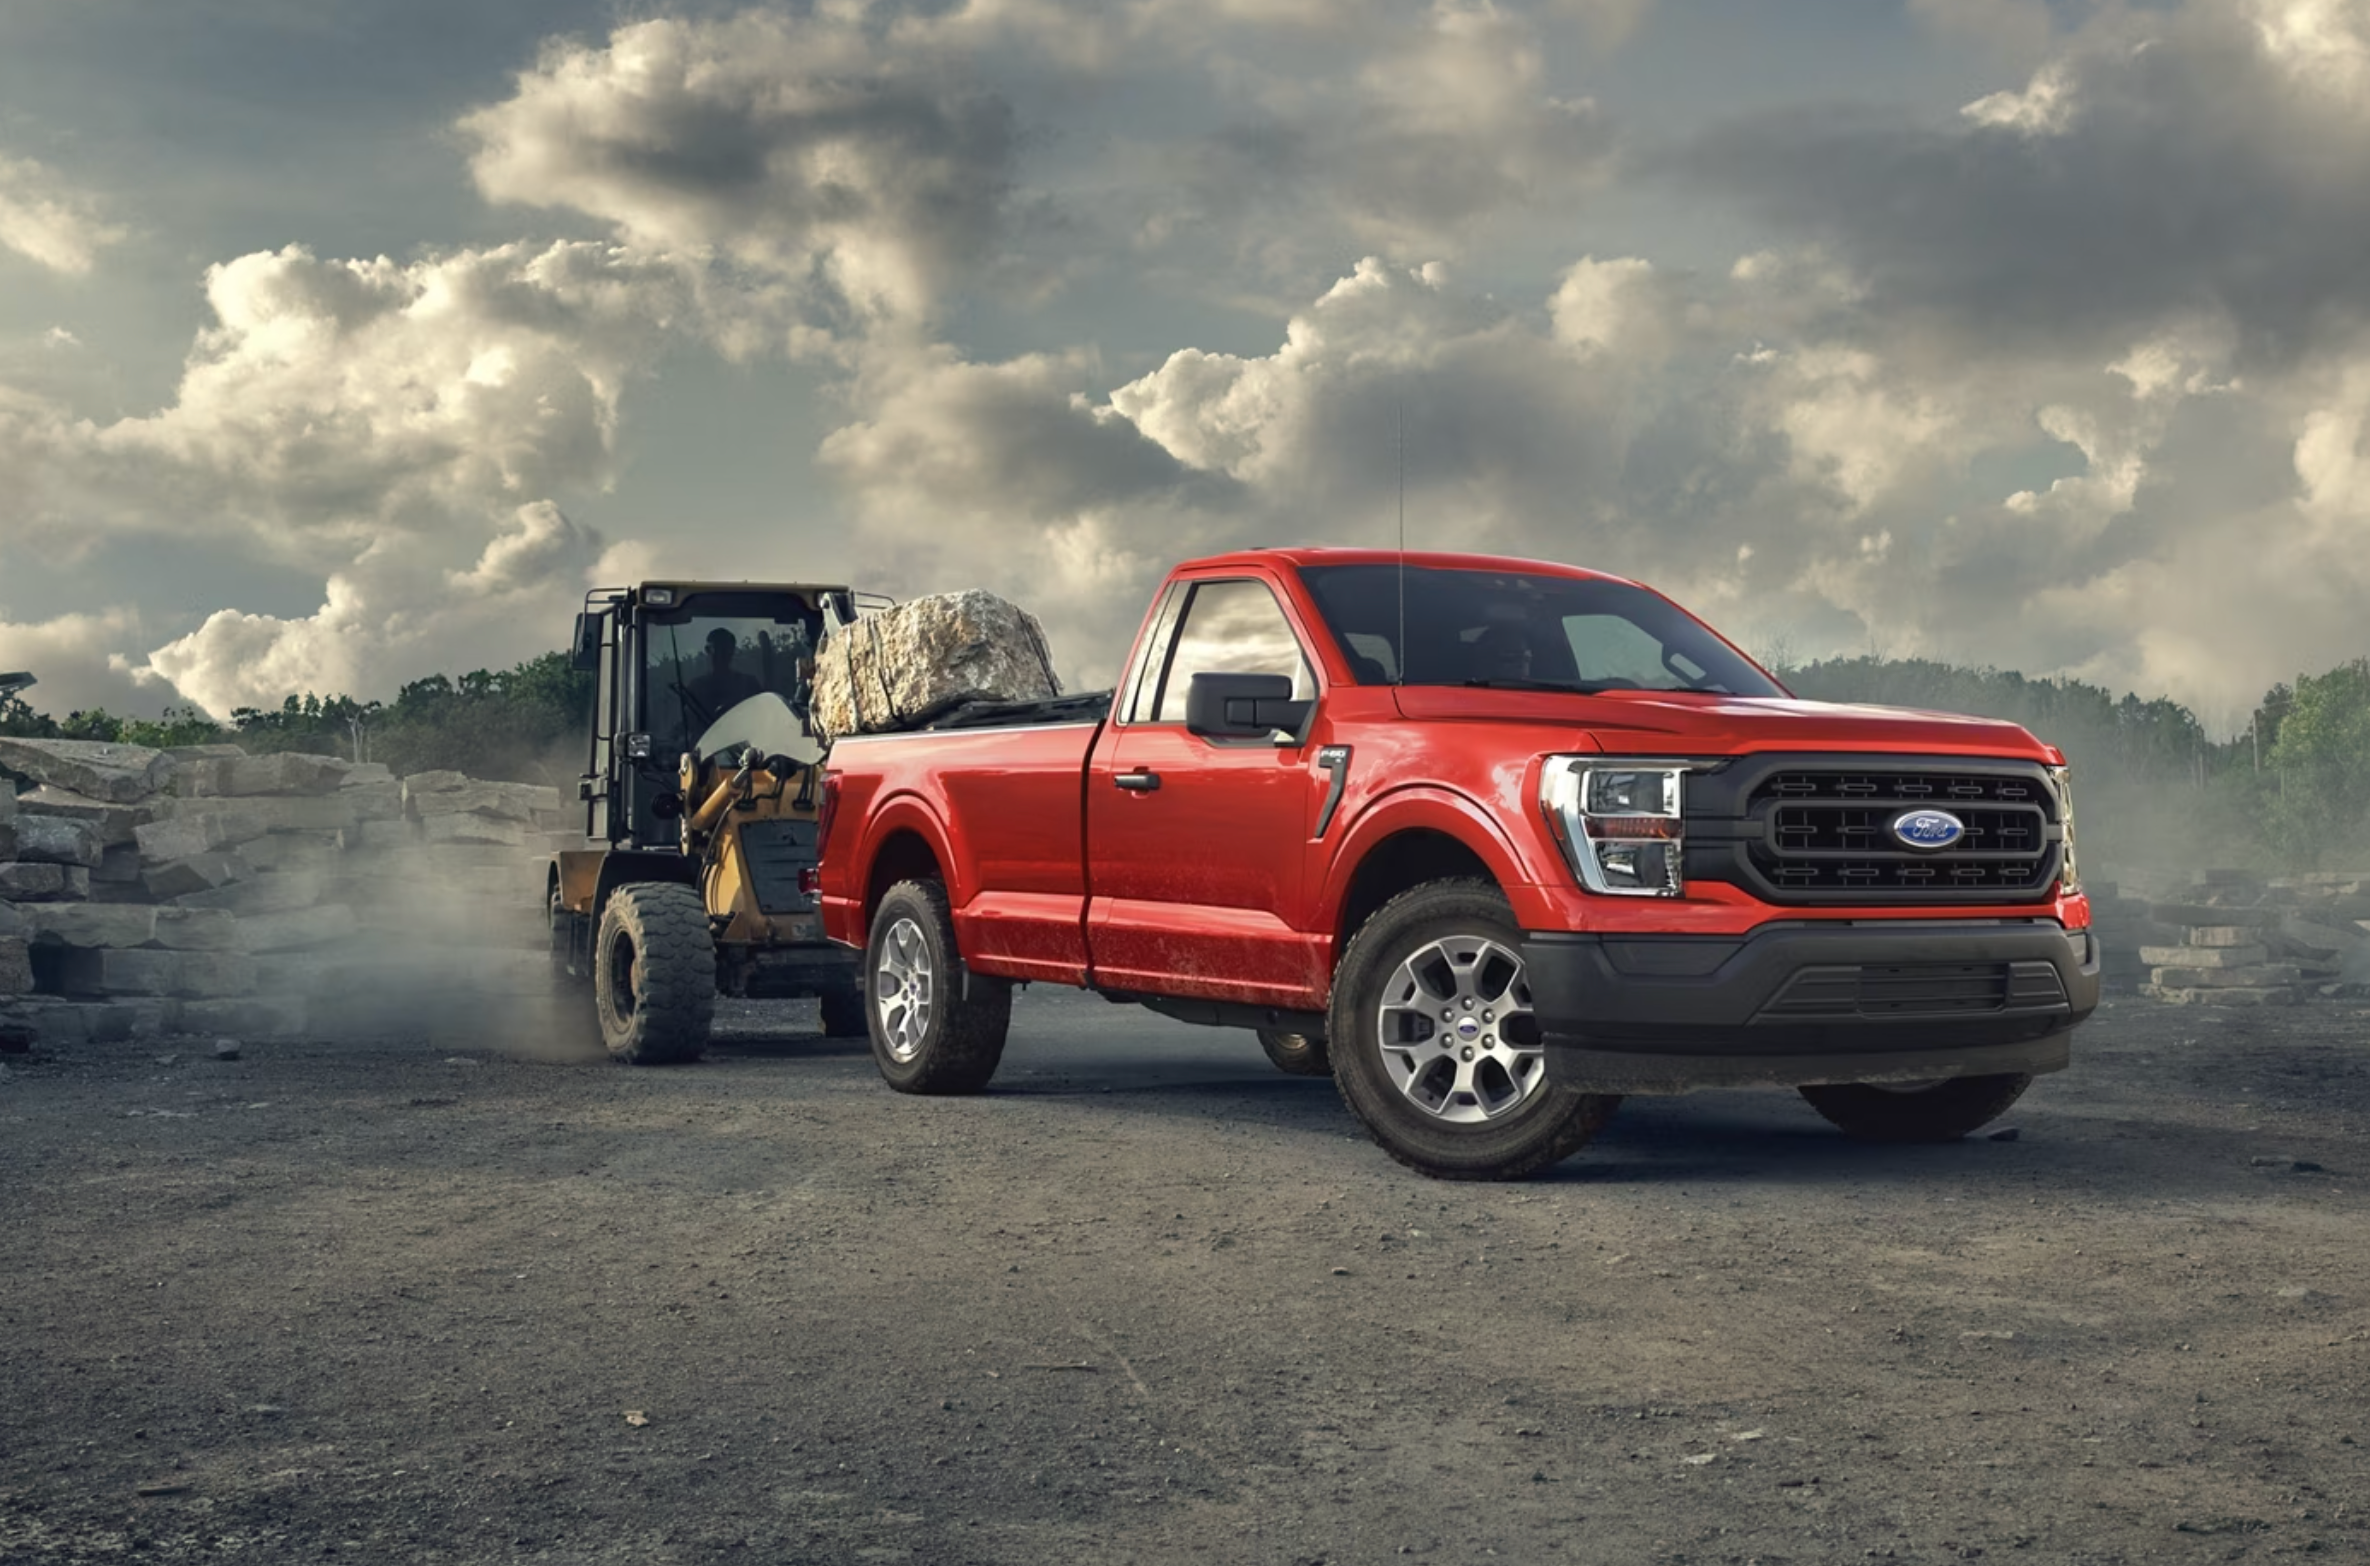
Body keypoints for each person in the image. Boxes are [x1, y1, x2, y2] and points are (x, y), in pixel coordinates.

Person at [688, 627, 762, 716]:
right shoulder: (696, 688)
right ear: (707, 651)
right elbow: (687, 722)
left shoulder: (749, 685)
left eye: (723, 649)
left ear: (732, 652)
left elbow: (761, 718)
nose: (717, 655)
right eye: (712, 649)